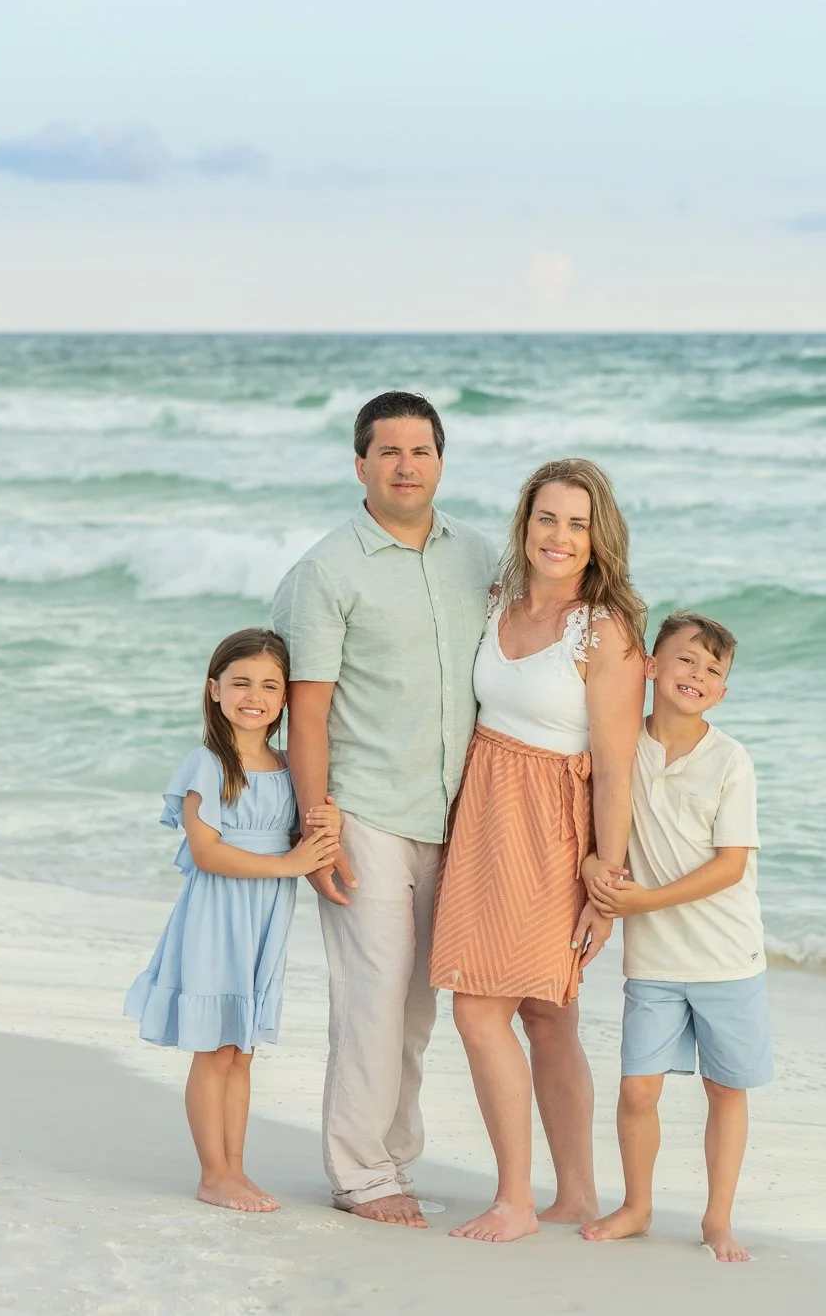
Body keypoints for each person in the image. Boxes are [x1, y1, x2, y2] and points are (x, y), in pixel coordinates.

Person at [270, 392, 497, 1227]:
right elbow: (309, 707)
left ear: (442, 460)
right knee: (372, 992)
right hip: (364, 808)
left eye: (422, 451)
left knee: (416, 1003)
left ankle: (394, 1157)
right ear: (359, 463)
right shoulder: (327, 570)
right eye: (389, 451)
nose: (407, 466)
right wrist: (317, 825)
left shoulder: (475, 556)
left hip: (456, 812)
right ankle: (359, 1172)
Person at [429, 457, 647, 1243]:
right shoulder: (497, 601)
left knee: (480, 1008)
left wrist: (607, 882)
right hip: (484, 812)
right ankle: (578, 1195)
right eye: (547, 519)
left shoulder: (607, 631)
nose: (560, 537)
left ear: (599, 539)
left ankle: (515, 1199)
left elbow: (617, 765)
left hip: (553, 831)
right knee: (546, 1013)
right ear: (525, 523)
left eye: (577, 524)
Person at [122, 628, 343, 1213]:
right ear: (214, 689)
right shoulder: (209, 764)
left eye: (271, 685)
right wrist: (290, 862)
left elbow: (299, 831)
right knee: (214, 1048)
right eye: (241, 682)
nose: (256, 695)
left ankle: (237, 1169)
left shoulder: (287, 764)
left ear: (286, 699)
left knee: (241, 1048)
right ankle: (212, 1173)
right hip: (217, 917)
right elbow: (206, 852)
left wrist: (326, 830)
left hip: (265, 917)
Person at [579, 611, 768, 1262]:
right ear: (652, 666)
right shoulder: (622, 742)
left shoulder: (730, 761)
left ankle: (718, 1219)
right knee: (638, 1088)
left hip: (726, 955)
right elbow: (591, 821)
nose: (699, 675)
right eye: (686, 660)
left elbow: (731, 865)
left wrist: (645, 901)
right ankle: (637, 1205)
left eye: (714, 670)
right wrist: (590, 869)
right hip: (654, 959)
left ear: (722, 692)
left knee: (725, 1088)